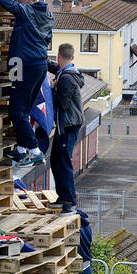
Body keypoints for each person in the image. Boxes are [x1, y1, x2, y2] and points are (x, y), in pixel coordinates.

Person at [0, 0, 54, 170]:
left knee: (16, 111)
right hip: (39, 66)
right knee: (25, 109)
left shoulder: (25, 11)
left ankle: (35, 151)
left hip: (23, 65)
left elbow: (6, 3)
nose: (17, 2)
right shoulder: (48, 15)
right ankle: (20, 149)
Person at [48, 43, 84, 212]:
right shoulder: (69, 72)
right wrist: (43, 61)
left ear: (59, 56)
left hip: (68, 126)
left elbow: (62, 103)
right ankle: (63, 197)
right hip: (66, 126)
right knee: (55, 160)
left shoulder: (66, 79)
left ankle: (69, 201)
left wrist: (51, 89)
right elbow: (56, 68)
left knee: (63, 162)